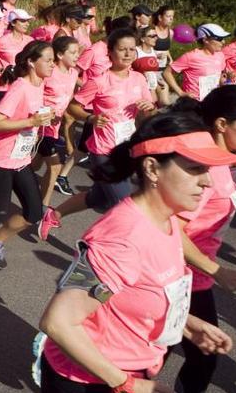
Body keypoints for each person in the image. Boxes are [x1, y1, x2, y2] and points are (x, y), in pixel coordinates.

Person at [38, 112, 236, 393]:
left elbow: (136, 292)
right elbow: (59, 323)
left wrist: (186, 324)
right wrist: (127, 386)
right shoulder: (122, 237)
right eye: (194, 169)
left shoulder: (166, 219)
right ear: (152, 169)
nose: (207, 181)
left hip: (131, 375)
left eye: (207, 170)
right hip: (88, 383)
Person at [165, 86, 236, 393]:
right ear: (222, 124)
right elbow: (172, 229)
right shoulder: (204, 171)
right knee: (159, 358)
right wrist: (218, 270)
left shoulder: (216, 159)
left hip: (195, 279)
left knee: (200, 358)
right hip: (176, 278)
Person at [40, 28, 159, 240]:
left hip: (127, 150)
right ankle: (95, 248)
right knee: (123, 207)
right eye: (122, 49)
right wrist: (90, 118)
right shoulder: (100, 80)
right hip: (103, 151)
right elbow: (74, 107)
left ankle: (53, 214)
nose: (128, 54)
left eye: (132, 49)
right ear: (110, 52)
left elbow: (148, 114)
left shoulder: (139, 79)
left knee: (98, 198)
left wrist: (148, 109)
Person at [0, 41, 55, 275]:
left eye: (54, 59)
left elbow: (30, 115)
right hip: (1, 159)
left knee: (34, 212)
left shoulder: (40, 84)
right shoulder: (20, 87)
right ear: (32, 62)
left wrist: (44, 118)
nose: (53, 64)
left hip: (21, 158)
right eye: (48, 59)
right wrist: (31, 122)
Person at [34, 36, 80, 208]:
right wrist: (45, 113)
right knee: (55, 166)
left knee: (35, 164)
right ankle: (42, 208)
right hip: (42, 124)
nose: (77, 56)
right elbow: (34, 94)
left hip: (56, 125)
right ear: (60, 55)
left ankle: (12, 178)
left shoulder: (74, 73)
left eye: (78, 52)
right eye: (73, 52)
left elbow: (69, 98)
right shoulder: (49, 72)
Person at [164, 24, 229, 101]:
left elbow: (219, 75)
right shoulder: (191, 56)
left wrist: (223, 79)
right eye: (219, 39)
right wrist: (180, 93)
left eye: (223, 38)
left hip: (212, 100)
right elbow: (167, 72)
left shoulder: (220, 55)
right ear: (205, 40)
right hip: (193, 103)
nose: (223, 42)